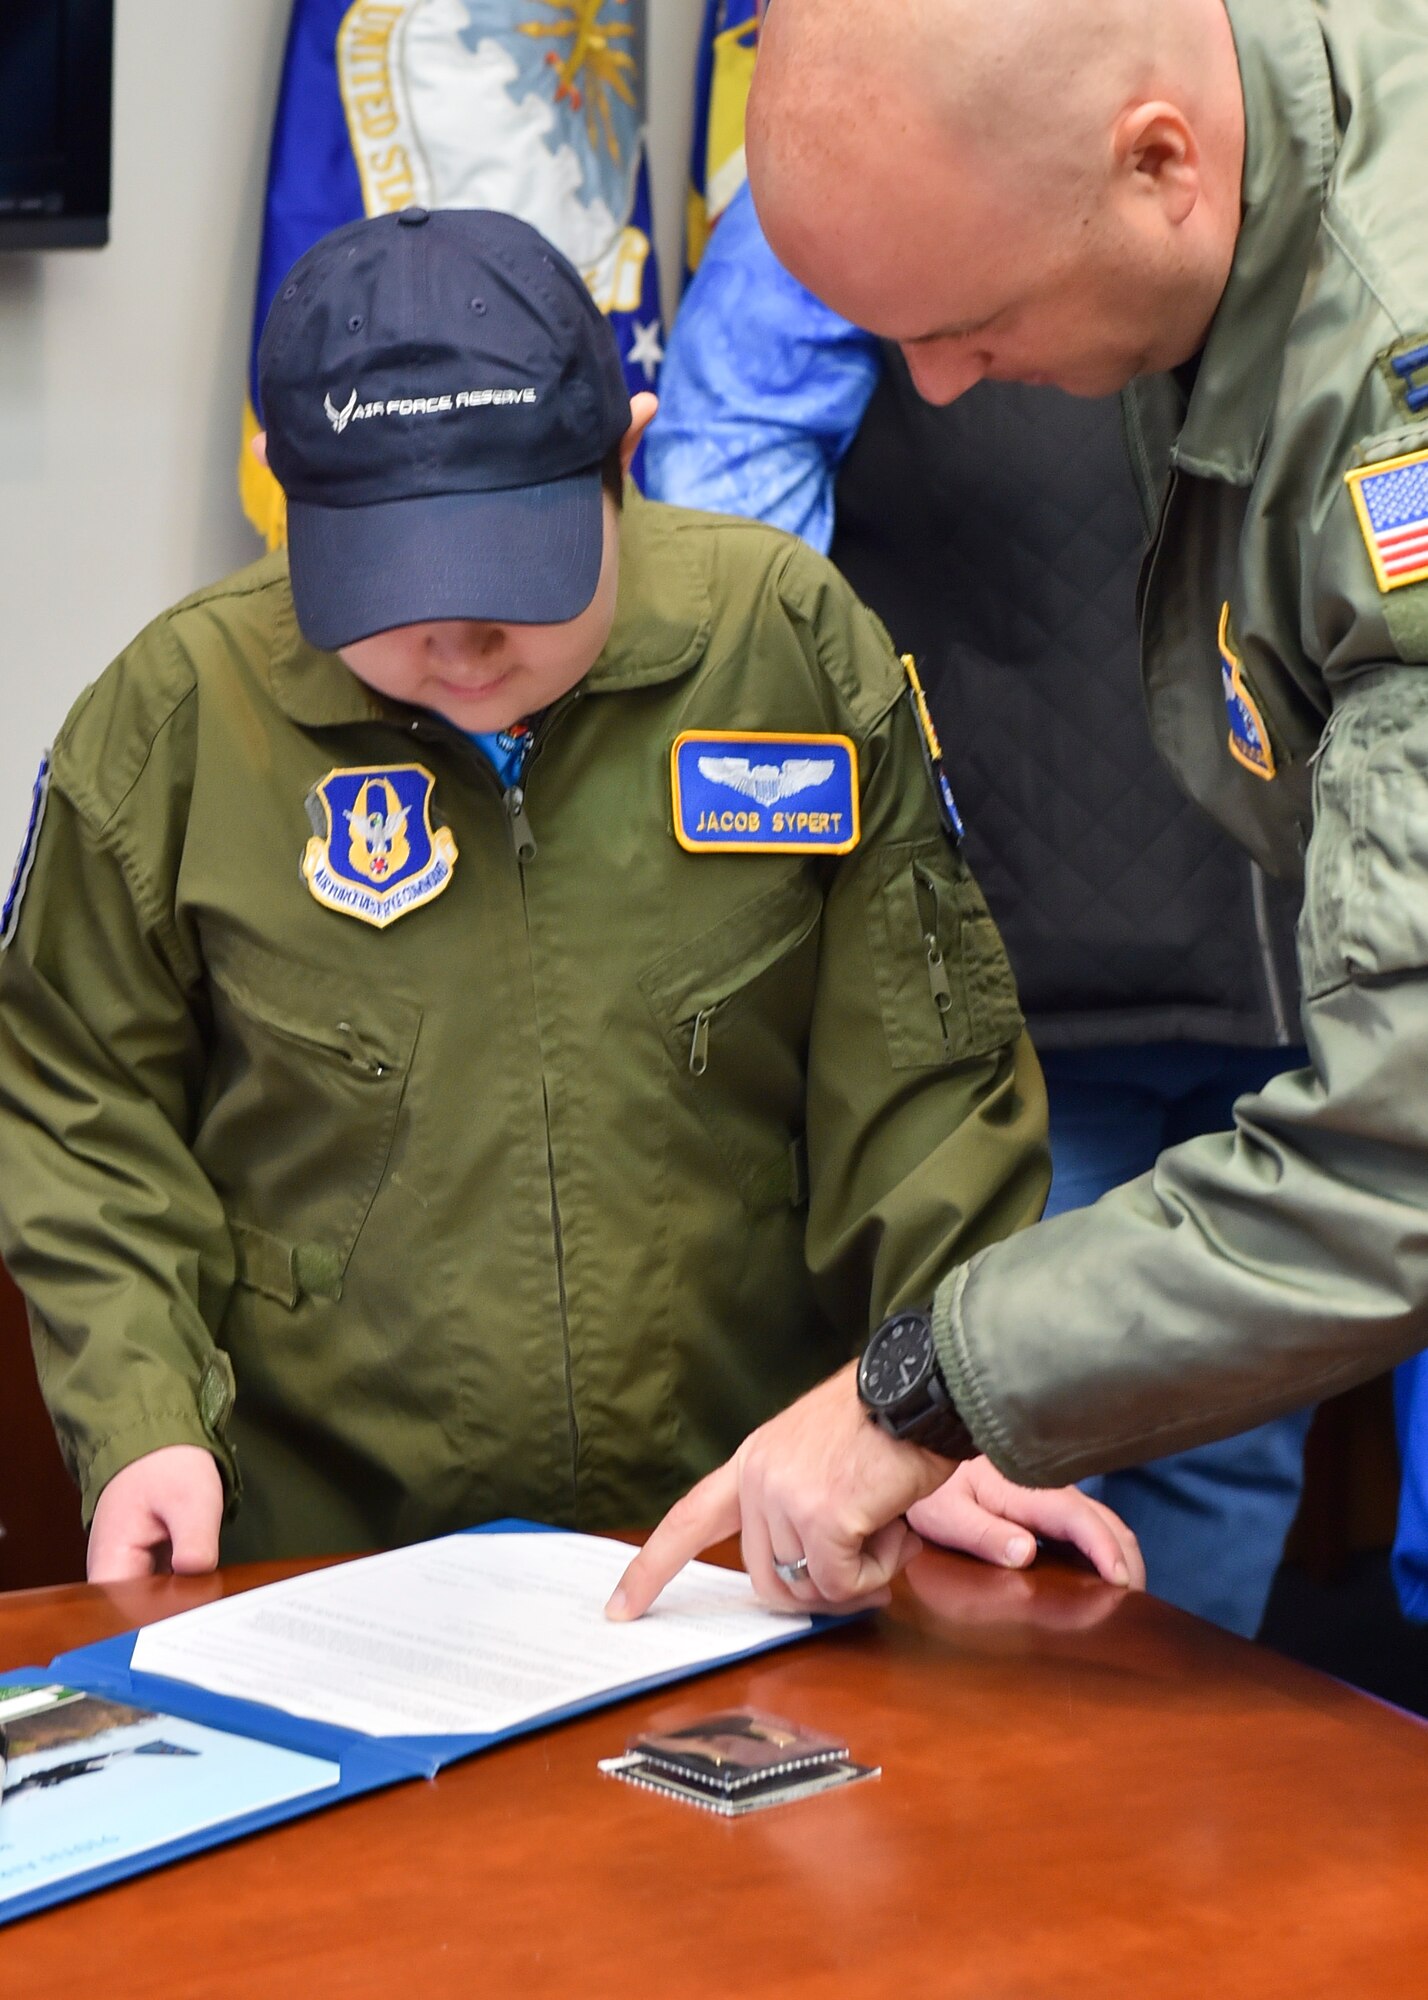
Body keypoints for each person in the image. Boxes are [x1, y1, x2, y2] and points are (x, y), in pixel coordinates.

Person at [0, 206, 1141, 1591]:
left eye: (514, 578)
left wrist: (937, 1416)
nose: (461, 642)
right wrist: (143, 1423)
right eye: (397, 584)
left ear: (627, 450)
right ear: (279, 487)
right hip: (317, 1568)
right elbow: (76, 1104)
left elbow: (923, 1088)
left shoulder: (785, 651)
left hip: (743, 1550)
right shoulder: (178, 721)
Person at [607, 0, 1428, 1623]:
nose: (935, 385)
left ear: (1159, 168)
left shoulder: (1392, 382)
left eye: (973, 321)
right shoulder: (1244, 144)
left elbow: (1406, 1144)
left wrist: (908, 1391)